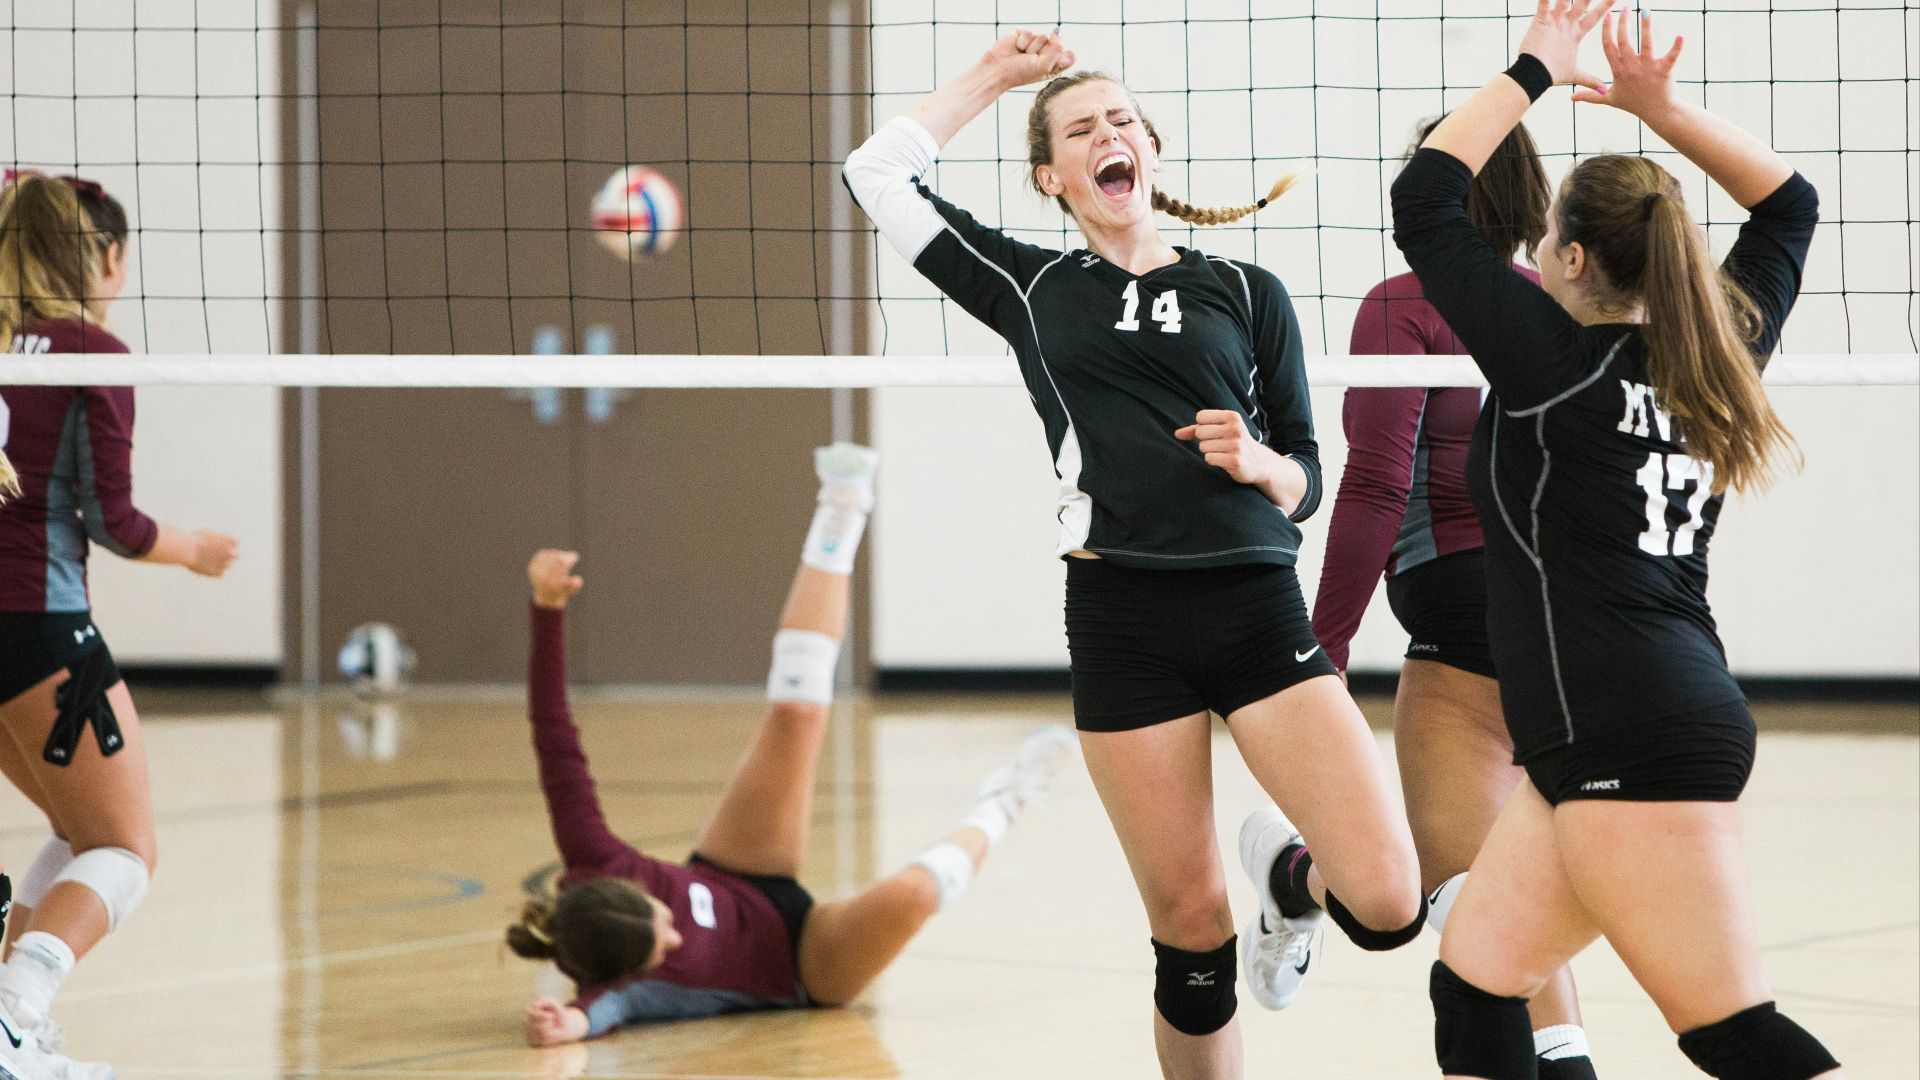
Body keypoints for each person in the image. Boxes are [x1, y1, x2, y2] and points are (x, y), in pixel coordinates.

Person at [844, 30, 1425, 1079]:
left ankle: (1288, 880)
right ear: (1051, 176)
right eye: (1080, 128)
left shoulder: (1247, 291)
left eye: (1121, 120)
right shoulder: (1029, 286)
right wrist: (997, 77)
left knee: (1387, 904)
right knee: (1191, 933)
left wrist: (1259, 463)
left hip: (1256, 609)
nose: (1107, 135)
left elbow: (1308, 478)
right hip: (1124, 623)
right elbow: (876, 174)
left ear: (1150, 150)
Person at [1392, 3, 1842, 1077]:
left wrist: (1536, 68)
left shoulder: (1555, 367)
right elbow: (1788, 207)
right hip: (1613, 728)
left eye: (1546, 236)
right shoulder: (1716, 353)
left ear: (1575, 256)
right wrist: (1662, 111)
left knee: (1734, 1035)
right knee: (1474, 988)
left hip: (1626, 734)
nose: (1533, 252)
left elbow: (1424, 197)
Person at [509, 444, 1073, 1045]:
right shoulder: (625, 987)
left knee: (797, 714)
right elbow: (597, 1012)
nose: (675, 938)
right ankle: (1004, 801)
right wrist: (566, 1023)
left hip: (738, 872)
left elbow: (553, 737)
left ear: (621, 888)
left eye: (662, 922)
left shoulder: (593, 853)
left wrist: (546, 609)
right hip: (804, 963)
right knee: (912, 894)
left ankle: (842, 505)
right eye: (663, 949)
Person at [1313, 121, 1597, 1079]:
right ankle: (1291, 877)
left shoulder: (1405, 305)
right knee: (1512, 929)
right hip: (1585, 629)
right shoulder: (1563, 311)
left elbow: (1374, 486)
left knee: (1465, 920)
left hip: (1468, 620)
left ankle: (1291, 875)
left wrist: (1322, 654)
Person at [0, 171, 240, 1078]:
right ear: (104, 256)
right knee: (126, 850)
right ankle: (15, 1019)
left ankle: (9, 1023)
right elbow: (119, 524)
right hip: (39, 630)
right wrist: (196, 551)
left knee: (76, 831)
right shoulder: (87, 351)